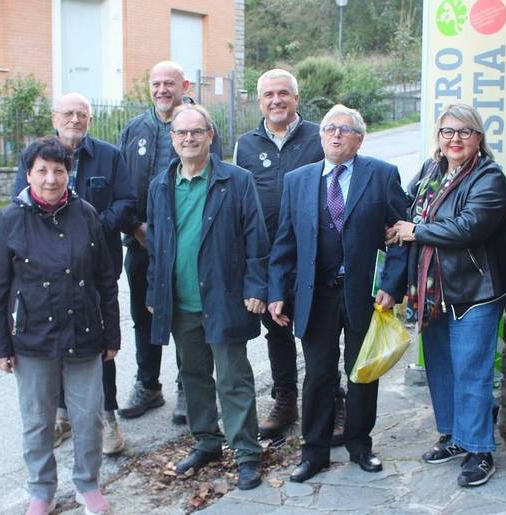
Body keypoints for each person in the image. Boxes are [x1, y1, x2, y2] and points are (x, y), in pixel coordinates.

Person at [268, 104, 408, 482]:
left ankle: (360, 446)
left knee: (362, 373)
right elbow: (285, 241)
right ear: (320, 136)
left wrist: (392, 286)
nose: (335, 135)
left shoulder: (382, 175)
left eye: (345, 130)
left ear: (359, 139)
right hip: (316, 295)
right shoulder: (299, 180)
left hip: (364, 294)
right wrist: (277, 289)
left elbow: (401, 237)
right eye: (329, 128)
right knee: (318, 375)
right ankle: (313, 453)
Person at [388, 103, 506, 487]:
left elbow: (469, 227)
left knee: (472, 372)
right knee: (441, 368)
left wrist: (416, 230)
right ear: (439, 137)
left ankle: (480, 449)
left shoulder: (489, 177)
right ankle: (452, 436)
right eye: (448, 132)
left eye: (464, 132)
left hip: (475, 291)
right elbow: (405, 208)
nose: (455, 139)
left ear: (479, 137)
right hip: (432, 290)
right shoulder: (431, 171)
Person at [0, 137, 120, 515]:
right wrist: (0, 346)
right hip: (32, 339)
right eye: (42, 170)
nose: (50, 178)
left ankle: (87, 484)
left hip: (84, 334)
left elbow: (105, 280)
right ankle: (41, 490)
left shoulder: (87, 214)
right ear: (28, 174)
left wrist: (111, 334)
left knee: (89, 417)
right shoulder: (10, 219)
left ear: (68, 173)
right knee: (38, 423)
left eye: (58, 170)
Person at [146, 104, 268, 490]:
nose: (188, 139)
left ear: (210, 136)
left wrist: (256, 286)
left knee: (233, 378)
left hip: (225, 298)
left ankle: (247, 453)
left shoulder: (237, 180)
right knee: (193, 375)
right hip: (180, 301)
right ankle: (207, 442)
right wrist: (155, 291)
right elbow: (156, 246)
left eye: (196, 132)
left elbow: (256, 238)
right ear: (172, 139)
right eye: (181, 133)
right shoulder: (160, 185)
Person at [12, 92, 134, 455]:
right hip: (45, 272)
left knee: (98, 346)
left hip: (95, 267)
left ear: (90, 120)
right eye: (68, 113)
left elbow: (127, 202)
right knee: (54, 343)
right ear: (55, 117)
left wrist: (93, 228)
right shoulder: (35, 157)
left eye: (82, 114)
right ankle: (63, 415)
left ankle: (107, 418)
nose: (75, 119)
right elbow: (18, 204)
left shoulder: (110, 156)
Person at [234, 69, 345, 442]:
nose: (276, 100)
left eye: (284, 93)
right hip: (268, 257)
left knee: (320, 331)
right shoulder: (245, 145)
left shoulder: (322, 135)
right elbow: (241, 204)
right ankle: (285, 398)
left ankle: (334, 398)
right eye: (269, 94)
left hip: (315, 255)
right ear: (259, 100)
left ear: (297, 98)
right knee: (275, 329)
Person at [119, 61, 222, 423]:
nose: (162, 90)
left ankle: (186, 386)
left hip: (187, 246)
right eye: (156, 83)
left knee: (188, 315)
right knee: (143, 315)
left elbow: (215, 184)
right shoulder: (134, 128)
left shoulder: (201, 124)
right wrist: (135, 227)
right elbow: (122, 187)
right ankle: (148, 384)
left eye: (170, 83)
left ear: (185, 85)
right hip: (141, 243)